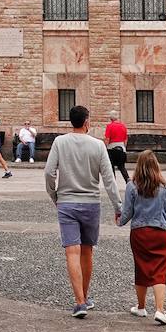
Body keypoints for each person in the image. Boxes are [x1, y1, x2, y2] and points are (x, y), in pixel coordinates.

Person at [43, 104, 123, 318]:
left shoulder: (60, 142)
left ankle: (79, 302)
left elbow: (49, 172)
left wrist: (55, 195)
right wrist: (118, 206)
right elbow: (109, 179)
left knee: (71, 251)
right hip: (90, 203)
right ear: (87, 121)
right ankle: (85, 298)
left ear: (71, 121)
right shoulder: (97, 146)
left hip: (67, 202)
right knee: (87, 251)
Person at [118, 150, 166, 326]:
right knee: (159, 271)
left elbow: (127, 213)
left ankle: (141, 307)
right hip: (161, 232)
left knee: (141, 268)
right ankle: (160, 309)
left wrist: (119, 220)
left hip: (140, 233)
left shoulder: (132, 186)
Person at [104, 109, 129, 184]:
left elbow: (107, 139)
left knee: (111, 168)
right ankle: (129, 182)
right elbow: (125, 140)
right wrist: (124, 148)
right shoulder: (123, 126)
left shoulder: (109, 126)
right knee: (122, 168)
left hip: (112, 149)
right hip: (121, 149)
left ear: (110, 118)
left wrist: (105, 148)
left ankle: (113, 185)